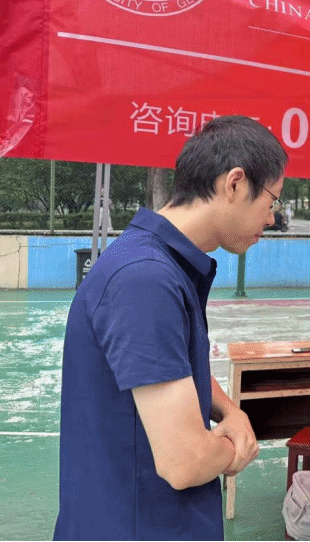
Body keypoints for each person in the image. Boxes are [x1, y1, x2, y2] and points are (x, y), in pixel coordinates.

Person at [54, 115, 288, 540]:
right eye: (272, 200)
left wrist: (230, 412)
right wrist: (234, 447)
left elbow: (174, 365)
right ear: (235, 184)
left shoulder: (160, 265)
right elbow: (185, 461)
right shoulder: (145, 279)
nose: (272, 218)